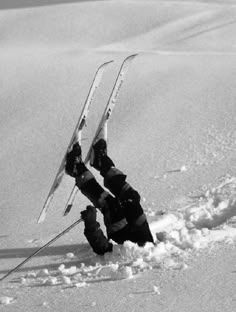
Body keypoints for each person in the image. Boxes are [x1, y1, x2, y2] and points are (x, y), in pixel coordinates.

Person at [65, 133, 154, 255]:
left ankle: (77, 170)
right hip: (141, 234)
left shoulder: (125, 261)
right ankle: (101, 162)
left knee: (111, 205)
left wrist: (91, 224)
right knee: (131, 197)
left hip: (120, 235)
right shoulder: (154, 253)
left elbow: (102, 248)